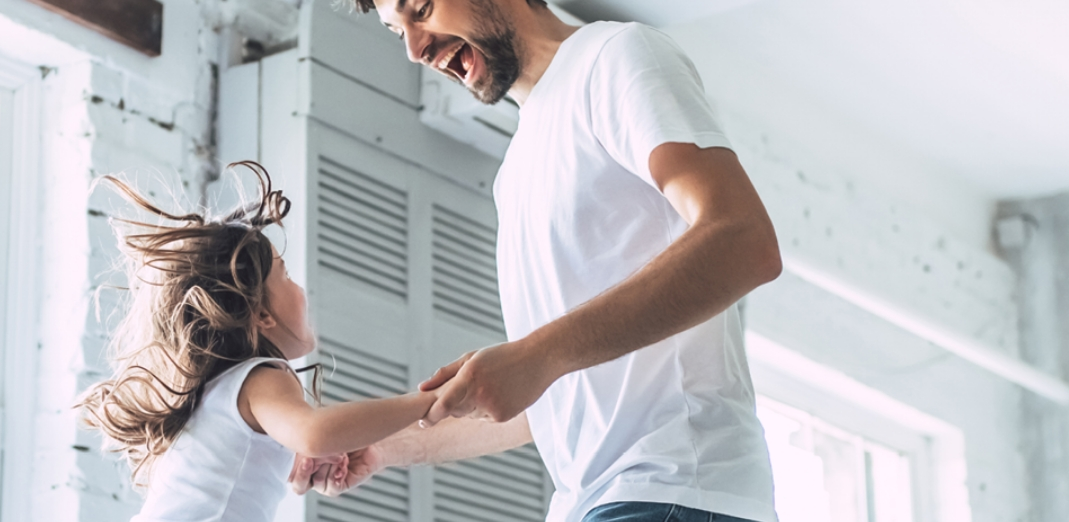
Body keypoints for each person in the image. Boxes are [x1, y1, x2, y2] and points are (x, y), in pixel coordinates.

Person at [290, 0, 786, 521]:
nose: (416, 50)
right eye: (398, 33)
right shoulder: (517, 171)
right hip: (596, 501)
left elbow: (742, 239)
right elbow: (557, 390)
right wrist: (383, 448)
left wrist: (537, 356)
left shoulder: (616, 58)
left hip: (673, 489)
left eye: (422, 9)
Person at [77, 161, 438, 522]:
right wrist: (428, 402)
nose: (302, 290)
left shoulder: (215, 393)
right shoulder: (262, 377)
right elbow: (315, 433)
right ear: (262, 315)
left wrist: (292, 457)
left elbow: (244, 461)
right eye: (285, 275)